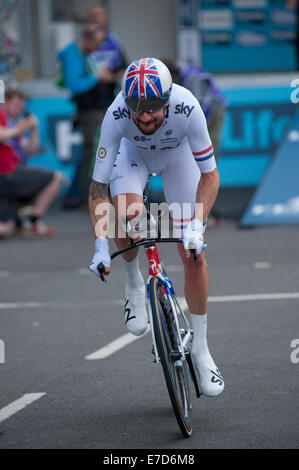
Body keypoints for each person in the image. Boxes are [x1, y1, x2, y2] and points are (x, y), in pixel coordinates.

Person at [88, 58, 224, 397]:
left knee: (191, 254)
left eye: (152, 108)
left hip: (178, 158)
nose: (145, 116)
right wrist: (101, 247)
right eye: (137, 109)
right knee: (130, 215)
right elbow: (98, 188)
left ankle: (202, 349)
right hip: (133, 158)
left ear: (167, 100)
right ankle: (135, 283)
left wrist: (194, 226)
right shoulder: (116, 114)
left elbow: (210, 176)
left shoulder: (188, 107)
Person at [58, 26, 123, 209]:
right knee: (92, 152)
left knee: (95, 152)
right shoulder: (73, 54)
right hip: (89, 112)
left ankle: (85, 195)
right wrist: (97, 77)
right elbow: (75, 84)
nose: (99, 48)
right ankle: (91, 198)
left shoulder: (83, 53)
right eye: (96, 43)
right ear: (86, 40)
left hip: (98, 108)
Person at [0, 89, 63, 238]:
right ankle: (32, 221)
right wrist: (19, 128)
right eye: (16, 105)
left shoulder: (11, 123)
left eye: (21, 106)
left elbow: (30, 150)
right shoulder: (3, 117)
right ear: (5, 101)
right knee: (55, 177)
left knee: (5, 230)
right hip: (6, 175)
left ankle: (29, 220)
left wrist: (34, 130)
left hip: (11, 179)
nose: (19, 109)